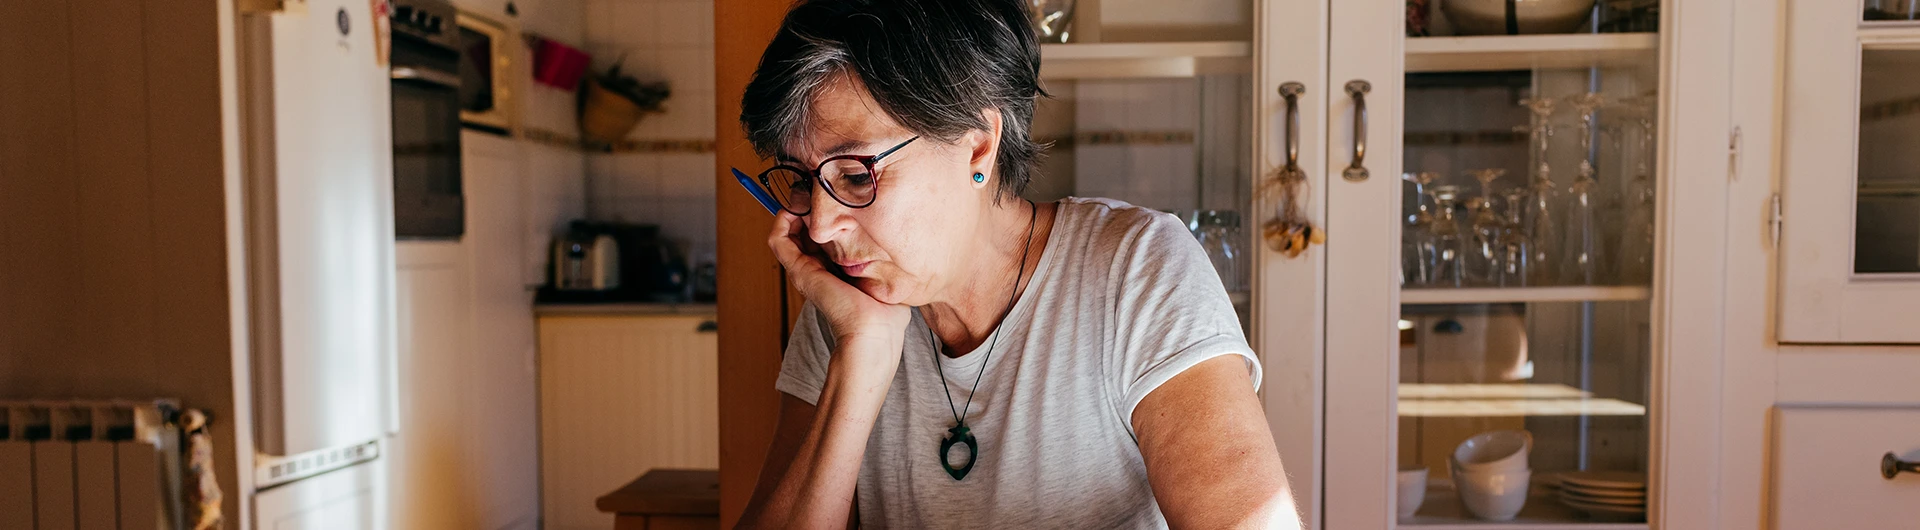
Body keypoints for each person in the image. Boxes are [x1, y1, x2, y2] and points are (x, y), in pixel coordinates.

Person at [734, 0, 1298, 527]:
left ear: (977, 146)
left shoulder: (1135, 270)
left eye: (855, 175)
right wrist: (860, 357)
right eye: (804, 181)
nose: (820, 225)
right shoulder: (848, 301)